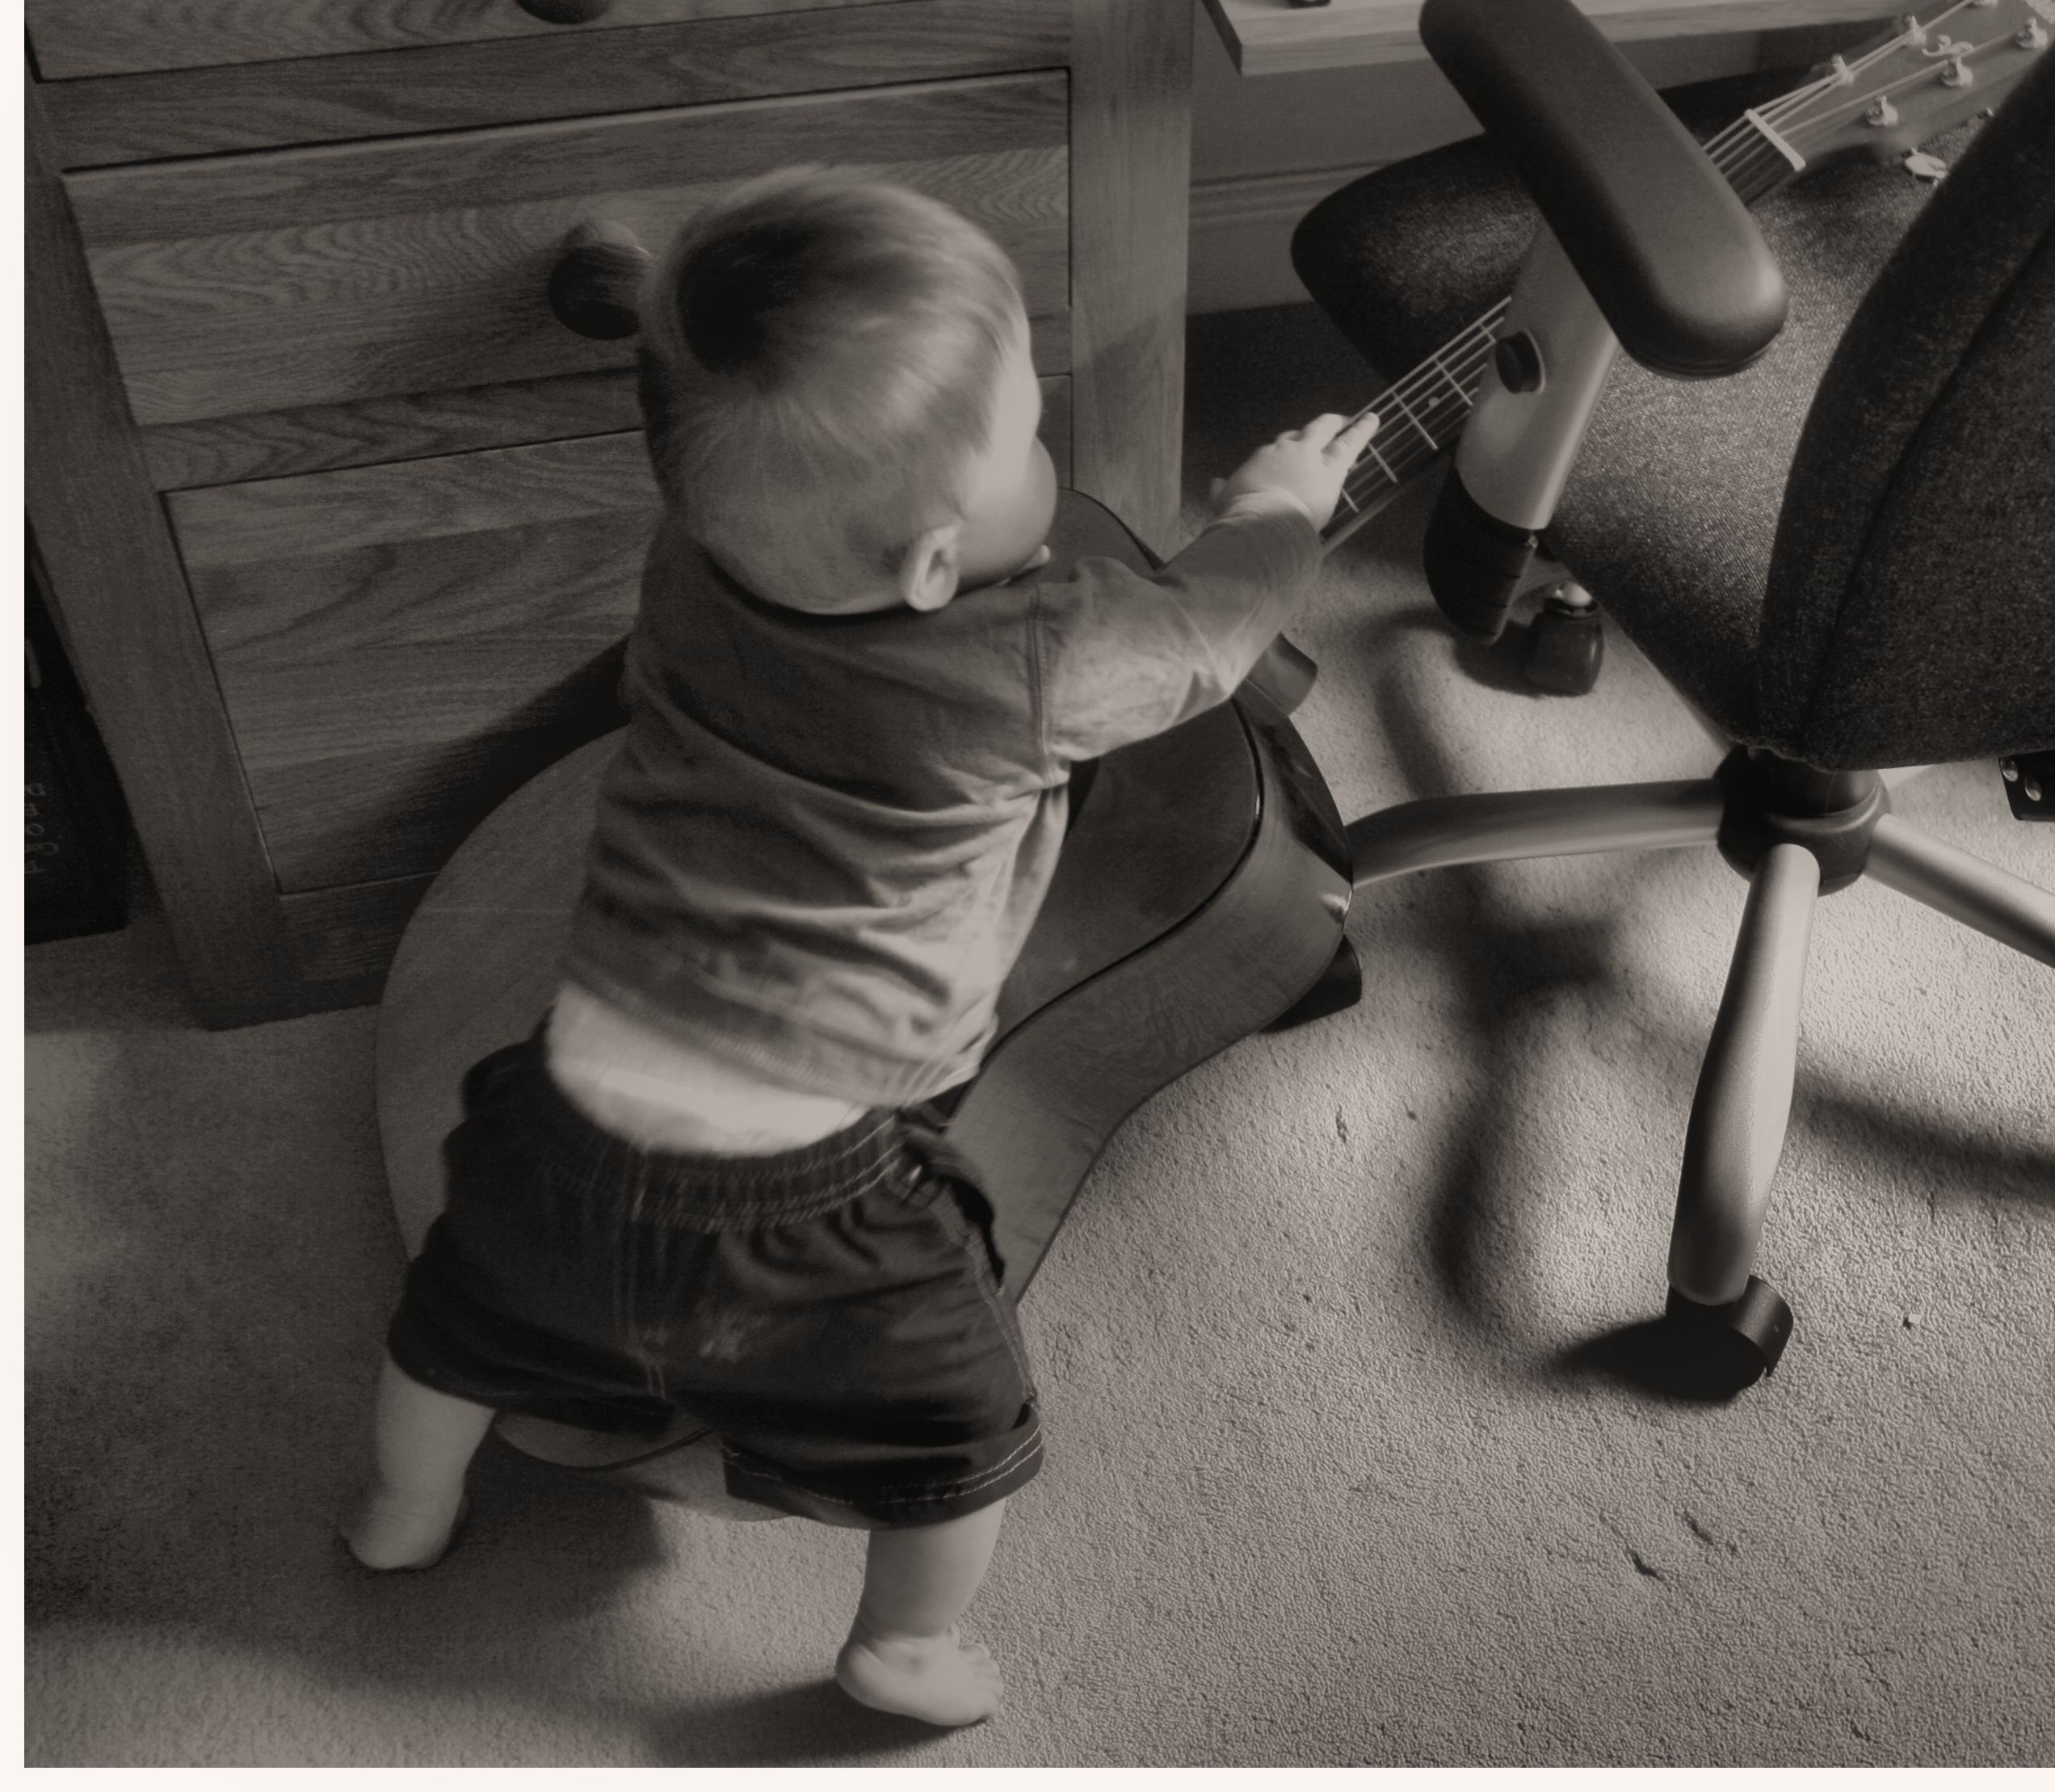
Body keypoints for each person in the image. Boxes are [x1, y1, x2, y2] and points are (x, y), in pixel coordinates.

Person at [338, 166, 1378, 1727]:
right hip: (812, 1194)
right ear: (933, 572)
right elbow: (1203, 641)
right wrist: (1274, 517)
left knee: (458, 1325)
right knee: (955, 1429)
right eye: (1028, 441)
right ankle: (899, 1648)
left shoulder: (691, 566)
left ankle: (399, 1512)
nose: (1047, 452)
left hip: (555, 1121)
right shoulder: (1030, 667)